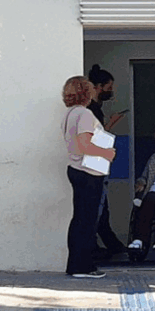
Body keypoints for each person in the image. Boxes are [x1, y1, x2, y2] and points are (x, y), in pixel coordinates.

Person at [61, 76, 117, 279]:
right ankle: (83, 266)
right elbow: (84, 145)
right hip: (88, 171)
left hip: (75, 168)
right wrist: (107, 153)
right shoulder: (85, 114)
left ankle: (75, 264)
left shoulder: (70, 114)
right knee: (87, 220)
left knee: (79, 219)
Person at [87, 64, 127, 259]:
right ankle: (99, 245)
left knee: (101, 207)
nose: (110, 92)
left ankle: (110, 243)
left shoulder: (95, 108)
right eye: (108, 87)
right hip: (94, 164)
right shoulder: (90, 110)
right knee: (98, 206)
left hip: (99, 163)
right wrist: (111, 123)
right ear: (98, 86)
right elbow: (98, 136)